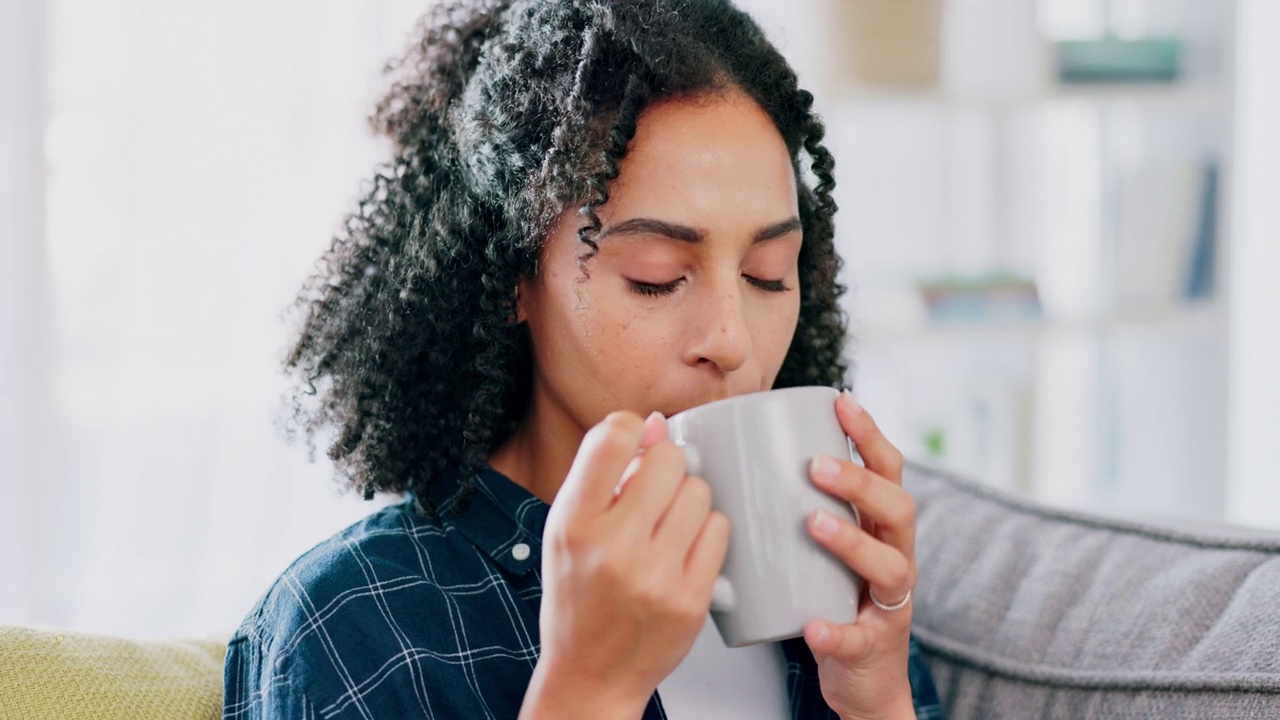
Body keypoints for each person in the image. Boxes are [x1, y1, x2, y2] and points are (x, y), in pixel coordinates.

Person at [222, 0, 943, 717]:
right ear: (514, 278)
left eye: (766, 273)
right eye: (656, 276)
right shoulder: (358, 626)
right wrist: (589, 687)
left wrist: (879, 701)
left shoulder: (833, 606)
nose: (732, 339)